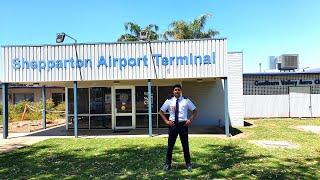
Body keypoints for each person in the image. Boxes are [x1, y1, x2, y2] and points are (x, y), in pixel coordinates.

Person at [159, 84, 198, 171]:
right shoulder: (169, 101)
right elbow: (161, 112)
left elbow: (195, 111)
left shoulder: (186, 101)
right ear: (173, 92)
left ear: (181, 91)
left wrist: (190, 120)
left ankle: (188, 164)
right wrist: (166, 121)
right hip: (173, 125)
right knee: (170, 145)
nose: (177, 91)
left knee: (185, 145)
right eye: (175, 90)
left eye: (178, 90)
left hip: (183, 125)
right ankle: (168, 164)